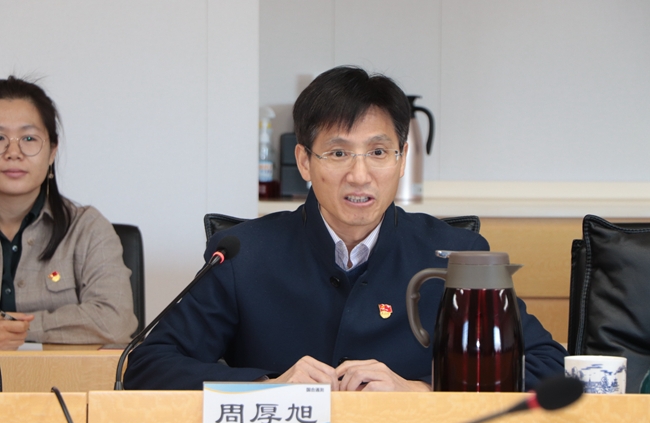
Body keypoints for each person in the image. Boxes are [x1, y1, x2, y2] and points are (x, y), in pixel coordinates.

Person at [124, 66, 566, 391]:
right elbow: (148, 366)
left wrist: (422, 391)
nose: (360, 175)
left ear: (401, 159)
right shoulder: (244, 254)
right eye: (338, 154)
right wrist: (268, 386)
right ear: (304, 162)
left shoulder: (455, 253)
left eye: (378, 152)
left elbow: (547, 364)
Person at [0, 76, 137, 349]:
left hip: (61, 377)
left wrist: (18, 328)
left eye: (29, 138)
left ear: (52, 151)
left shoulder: (87, 228)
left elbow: (116, 322)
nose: (13, 152)